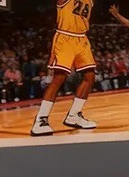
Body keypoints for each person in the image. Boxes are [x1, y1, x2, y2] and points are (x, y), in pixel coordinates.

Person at [31, 0, 99, 136]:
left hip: (82, 40)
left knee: (90, 76)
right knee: (59, 78)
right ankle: (40, 119)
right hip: (65, 37)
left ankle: (74, 115)